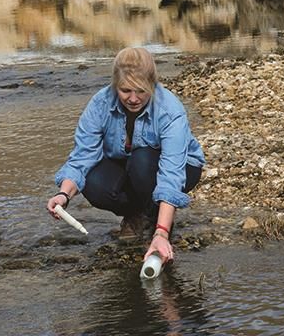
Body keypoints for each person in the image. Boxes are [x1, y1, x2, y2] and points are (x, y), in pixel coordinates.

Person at [46, 47, 205, 264]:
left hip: (180, 166)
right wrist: (63, 195)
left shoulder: (170, 110)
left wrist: (161, 232)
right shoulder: (100, 104)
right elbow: (83, 157)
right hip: (126, 162)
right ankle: (135, 214)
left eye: (140, 90)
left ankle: (159, 220)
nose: (132, 98)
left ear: (153, 84)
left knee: (142, 161)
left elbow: (171, 174)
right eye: (125, 90)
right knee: (93, 182)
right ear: (115, 86)